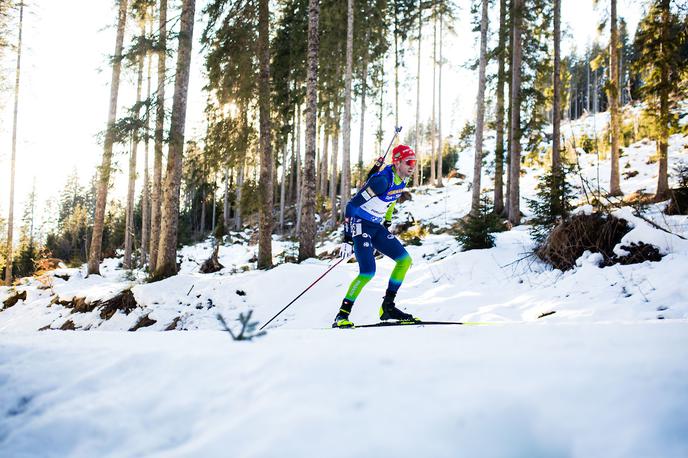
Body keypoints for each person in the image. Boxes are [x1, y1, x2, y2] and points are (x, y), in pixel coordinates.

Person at [333, 144, 419, 328]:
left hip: (376, 226)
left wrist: (387, 223)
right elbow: (351, 206)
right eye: (409, 162)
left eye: (415, 162)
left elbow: (392, 200)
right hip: (359, 225)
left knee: (405, 260)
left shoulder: (402, 179)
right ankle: (341, 315)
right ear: (397, 163)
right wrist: (347, 239)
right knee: (367, 273)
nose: (413, 166)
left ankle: (388, 307)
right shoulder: (381, 180)